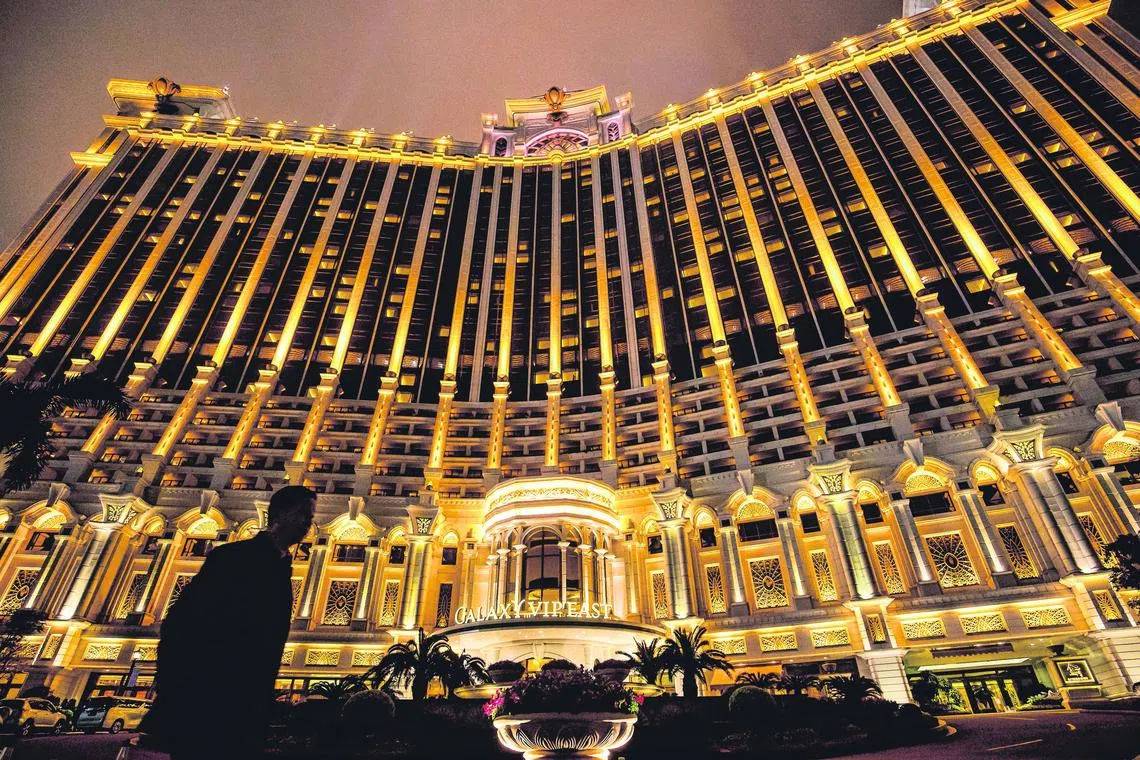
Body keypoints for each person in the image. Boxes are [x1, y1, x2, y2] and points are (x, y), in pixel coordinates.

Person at [140, 485, 316, 758]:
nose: (308, 523)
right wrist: (178, 689)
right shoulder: (235, 557)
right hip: (208, 703)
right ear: (279, 514)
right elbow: (180, 623)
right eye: (303, 514)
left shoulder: (282, 567)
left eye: (311, 516)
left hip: (243, 710)